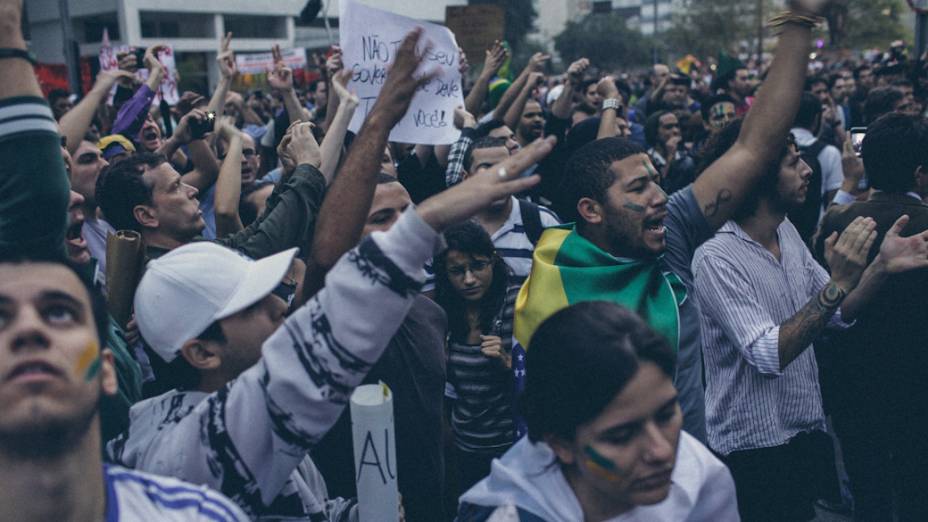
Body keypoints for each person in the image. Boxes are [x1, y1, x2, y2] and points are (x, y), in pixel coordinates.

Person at [105, 27, 556, 520]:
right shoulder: (186, 453)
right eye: (254, 304)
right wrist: (418, 209)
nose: (283, 305)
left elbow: (301, 505)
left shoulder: (225, 423)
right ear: (201, 351)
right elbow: (321, 307)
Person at [516, 0, 827, 444]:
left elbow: (754, 148)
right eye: (640, 189)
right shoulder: (552, 276)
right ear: (590, 212)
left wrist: (798, 23)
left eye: (657, 182)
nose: (661, 197)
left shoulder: (671, 236)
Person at [692, 121, 928, 521]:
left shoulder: (785, 231)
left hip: (802, 433)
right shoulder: (716, 257)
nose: (807, 170)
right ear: (756, 178)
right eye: (792, 162)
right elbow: (768, 353)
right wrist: (837, 282)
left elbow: (834, 312)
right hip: (753, 449)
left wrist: (881, 269)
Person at [457, 302, 738, 522]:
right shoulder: (513, 515)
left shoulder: (700, 475)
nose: (662, 451)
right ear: (560, 444)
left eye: (665, 415)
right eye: (621, 436)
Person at [814, 113, 928, 521]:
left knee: (869, 490)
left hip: (855, 382)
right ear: (919, 173)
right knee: (917, 487)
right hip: (919, 384)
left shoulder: (839, 221)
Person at [434, 221, 521, 493]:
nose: (469, 279)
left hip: (513, 448)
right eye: (457, 271)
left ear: (493, 262)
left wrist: (509, 364)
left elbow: (548, 376)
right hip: (466, 451)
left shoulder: (517, 305)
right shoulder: (443, 314)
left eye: (478, 266)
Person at [462, 137, 560, 283]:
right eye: (486, 168)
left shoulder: (543, 221)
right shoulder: (446, 228)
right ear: (466, 178)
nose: (499, 176)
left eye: (505, 168)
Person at [787, 92, 844, 243]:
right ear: (817, 118)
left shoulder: (775, 149)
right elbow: (834, 203)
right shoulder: (830, 153)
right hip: (816, 233)